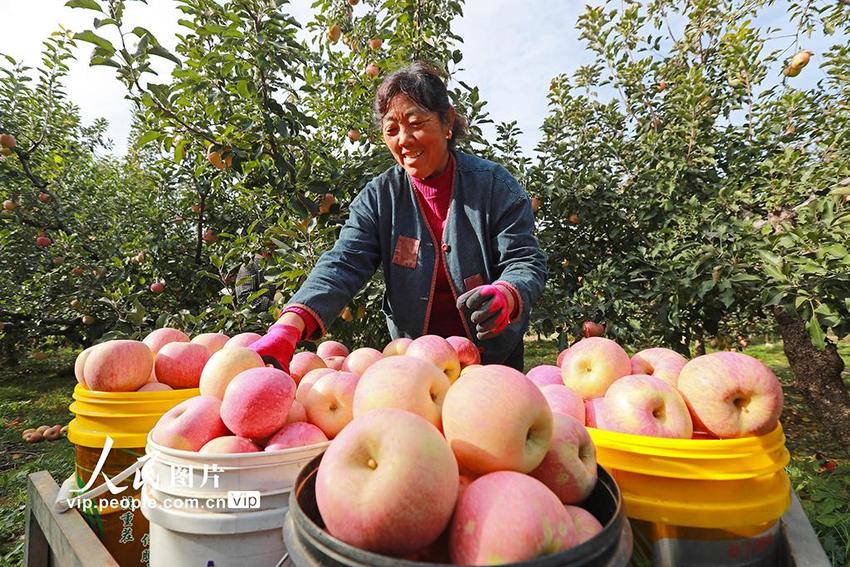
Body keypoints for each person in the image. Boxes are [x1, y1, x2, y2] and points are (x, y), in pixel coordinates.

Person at [249, 62, 547, 372]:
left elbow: (525, 260)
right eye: (391, 130)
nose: (403, 140)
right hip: (416, 366)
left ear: (447, 121)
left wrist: (507, 294)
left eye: (415, 122)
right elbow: (344, 262)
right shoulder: (380, 198)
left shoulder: (494, 186)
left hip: (492, 359)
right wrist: (290, 325)